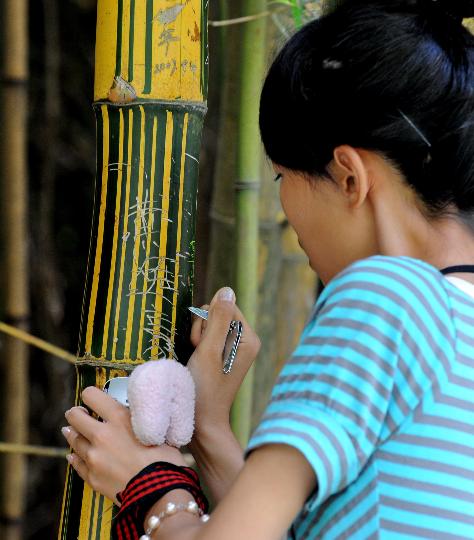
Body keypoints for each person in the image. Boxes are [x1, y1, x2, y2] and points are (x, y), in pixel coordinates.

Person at [61, 0, 474, 538]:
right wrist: (208, 426)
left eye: (283, 177)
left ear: (350, 176)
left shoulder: (385, 298)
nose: (287, 211)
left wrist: (149, 485)